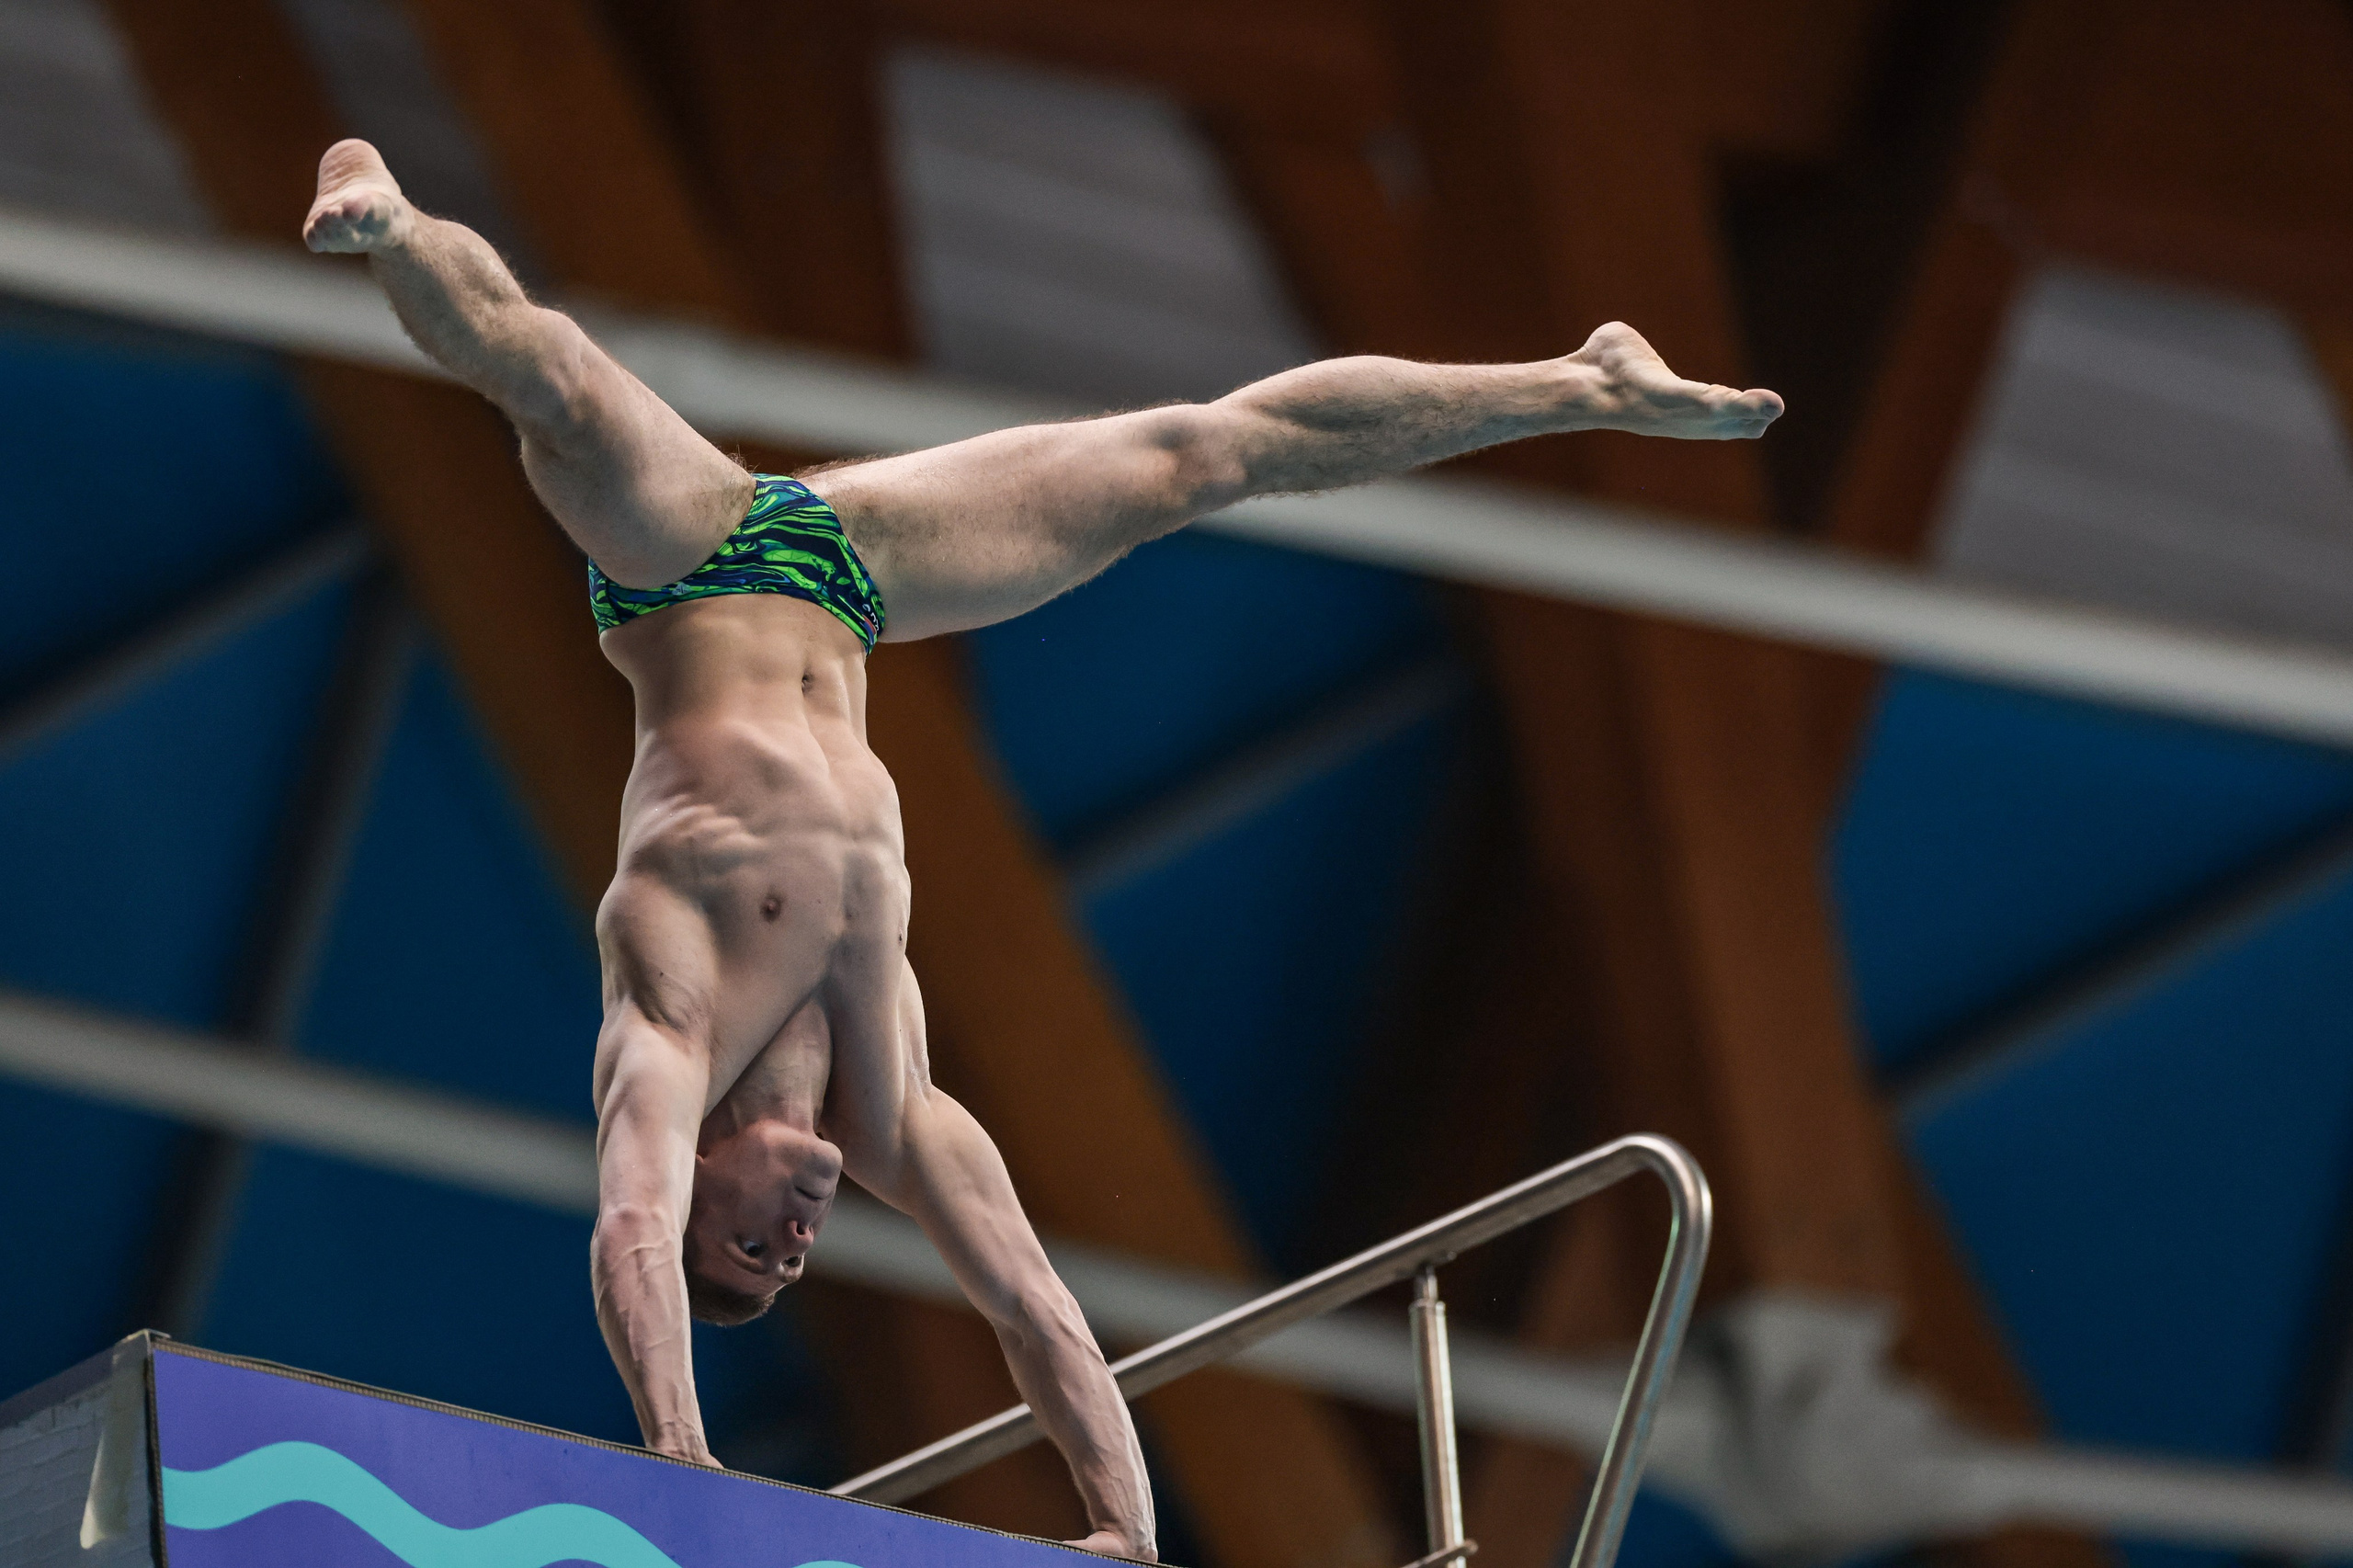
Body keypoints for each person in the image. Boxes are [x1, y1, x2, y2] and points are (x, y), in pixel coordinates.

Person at [301, 135, 1782, 1562]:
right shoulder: (891, 1095)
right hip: (855, 578)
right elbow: (1032, 1305)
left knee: (550, 377)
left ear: (712, 1174)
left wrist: (680, 1465)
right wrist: (1124, 1526)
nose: (799, 1242)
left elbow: (629, 1227)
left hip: (678, 558)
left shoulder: (670, 1019)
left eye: (752, 1244)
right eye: (787, 1265)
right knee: (1197, 460)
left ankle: (381, 213)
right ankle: (1582, 383)